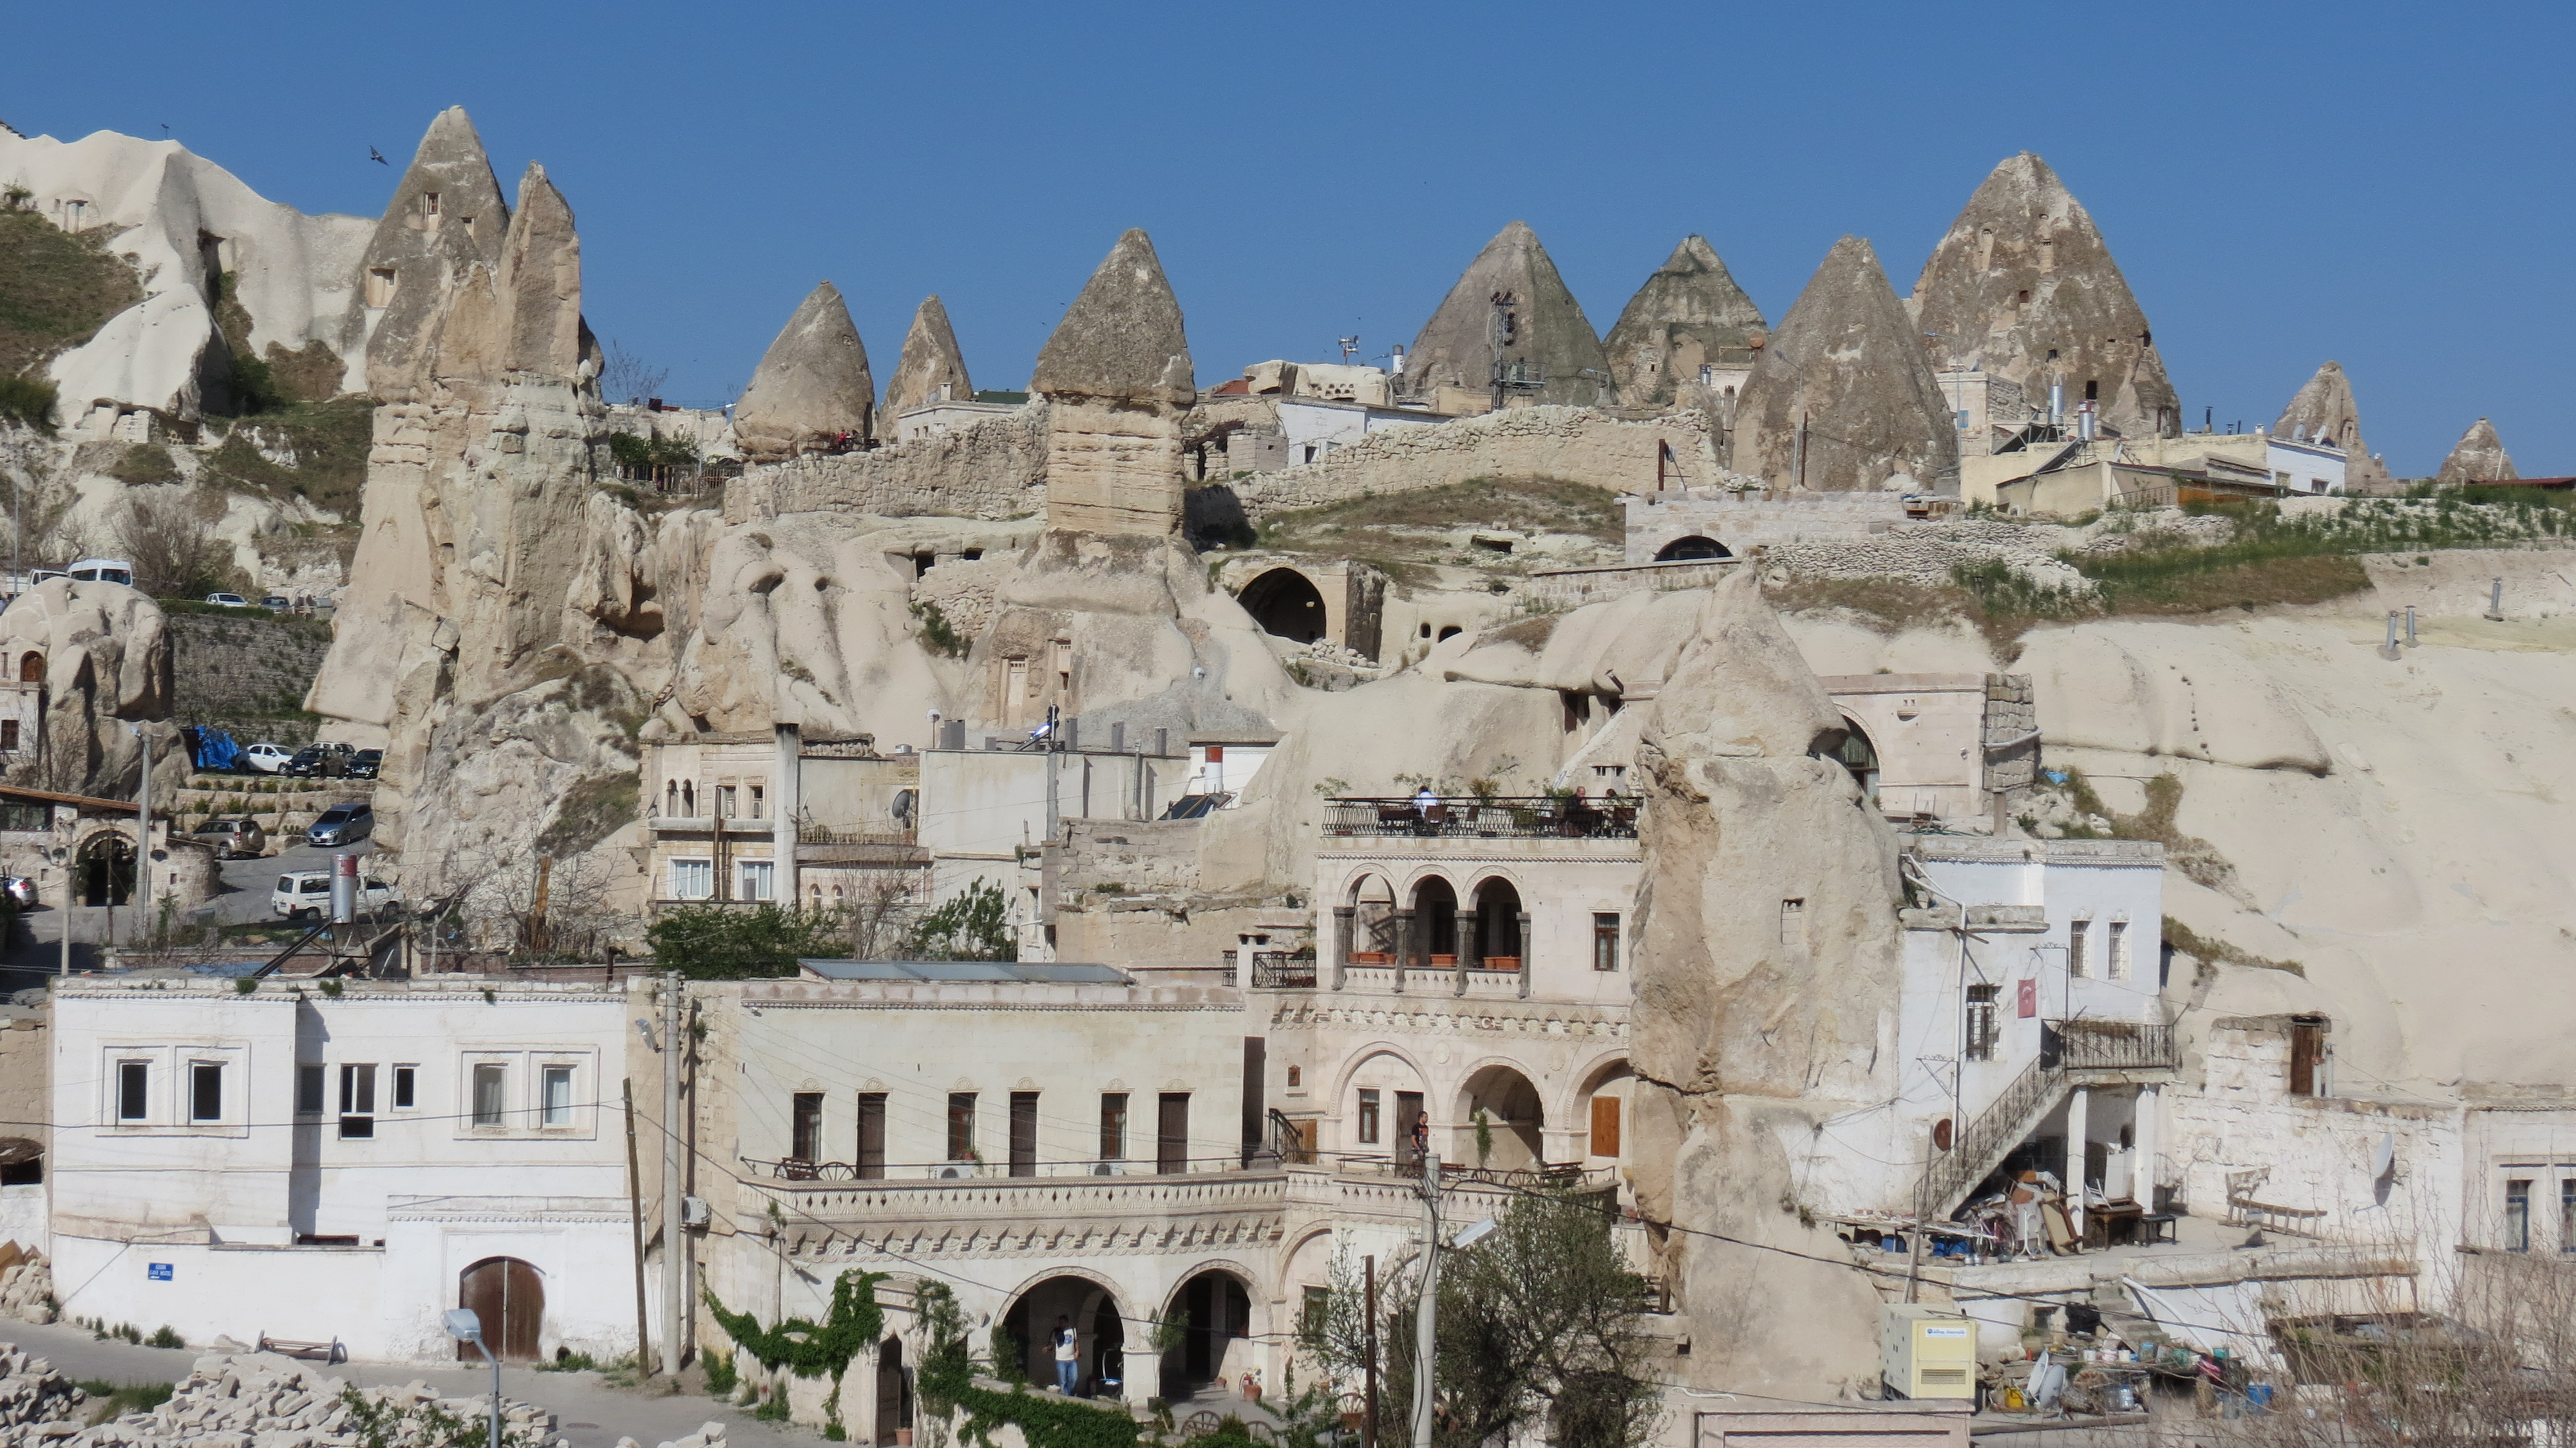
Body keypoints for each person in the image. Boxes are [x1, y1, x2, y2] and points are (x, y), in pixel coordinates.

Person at [1052, 1315, 1079, 1395]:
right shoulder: (1056, 1332)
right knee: (1063, 1381)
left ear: (1066, 1322)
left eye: (1063, 1322)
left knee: (1074, 1378)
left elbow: (1076, 1341)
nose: (1061, 1324)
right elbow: (1052, 1343)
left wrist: (1077, 1351)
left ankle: (1067, 1392)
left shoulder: (1073, 1330)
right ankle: (1065, 1396)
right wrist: (1047, 1348)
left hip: (1072, 1359)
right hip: (1061, 1360)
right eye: (1060, 1322)